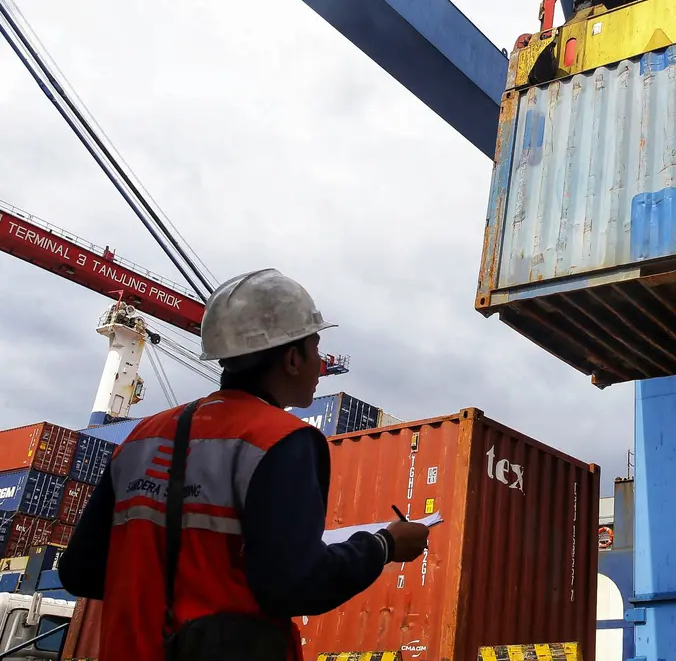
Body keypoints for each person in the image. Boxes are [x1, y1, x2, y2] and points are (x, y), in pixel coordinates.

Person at [59, 268, 430, 661]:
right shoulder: (282, 440)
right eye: (316, 347)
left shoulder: (141, 439)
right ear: (292, 358)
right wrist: (385, 544)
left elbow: (79, 571)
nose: (321, 363)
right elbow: (295, 585)